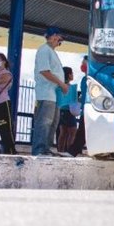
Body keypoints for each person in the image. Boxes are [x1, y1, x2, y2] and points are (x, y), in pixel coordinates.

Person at [32, 26, 69, 156]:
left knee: (52, 123)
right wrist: (61, 84)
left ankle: (46, 148)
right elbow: (44, 71)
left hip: (54, 94)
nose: (59, 40)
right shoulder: (44, 50)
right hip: (46, 93)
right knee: (44, 122)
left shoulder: (51, 52)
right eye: (58, 37)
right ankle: (39, 149)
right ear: (52, 36)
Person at [67, 55, 88, 157]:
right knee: (82, 132)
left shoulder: (93, 79)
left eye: (84, 63)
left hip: (90, 110)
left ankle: (74, 151)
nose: (82, 66)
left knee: (82, 132)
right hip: (85, 110)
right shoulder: (84, 79)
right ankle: (75, 150)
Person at [56, 66, 78, 154]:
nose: (73, 75)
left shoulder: (59, 87)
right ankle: (69, 151)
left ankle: (60, 150)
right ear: (69, 75)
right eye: (72, 73)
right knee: (72, 132)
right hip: (70, 111)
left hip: (61, 110)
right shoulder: (72, 87)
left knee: (63, 132)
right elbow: (74, 100)